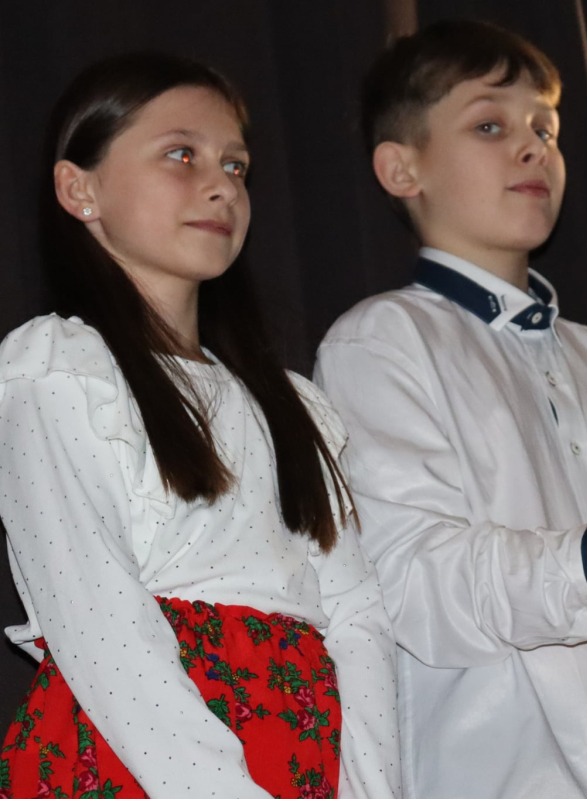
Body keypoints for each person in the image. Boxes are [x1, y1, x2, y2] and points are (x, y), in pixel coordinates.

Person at [315, 21, 587, 799]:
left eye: (545, 129)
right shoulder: (381, 340)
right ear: (401, 168)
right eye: (490, 126)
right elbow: (413, 579)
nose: (532, 148)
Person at [0, 52, 401, 798]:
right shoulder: (60, 371)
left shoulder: (288, 404)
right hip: (141, 755)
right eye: (181, 155)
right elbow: (99, 620)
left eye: (236, 166)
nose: (222, 185)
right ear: (80, 189)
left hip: (301, 747)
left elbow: (357, 613)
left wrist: (371, 786)